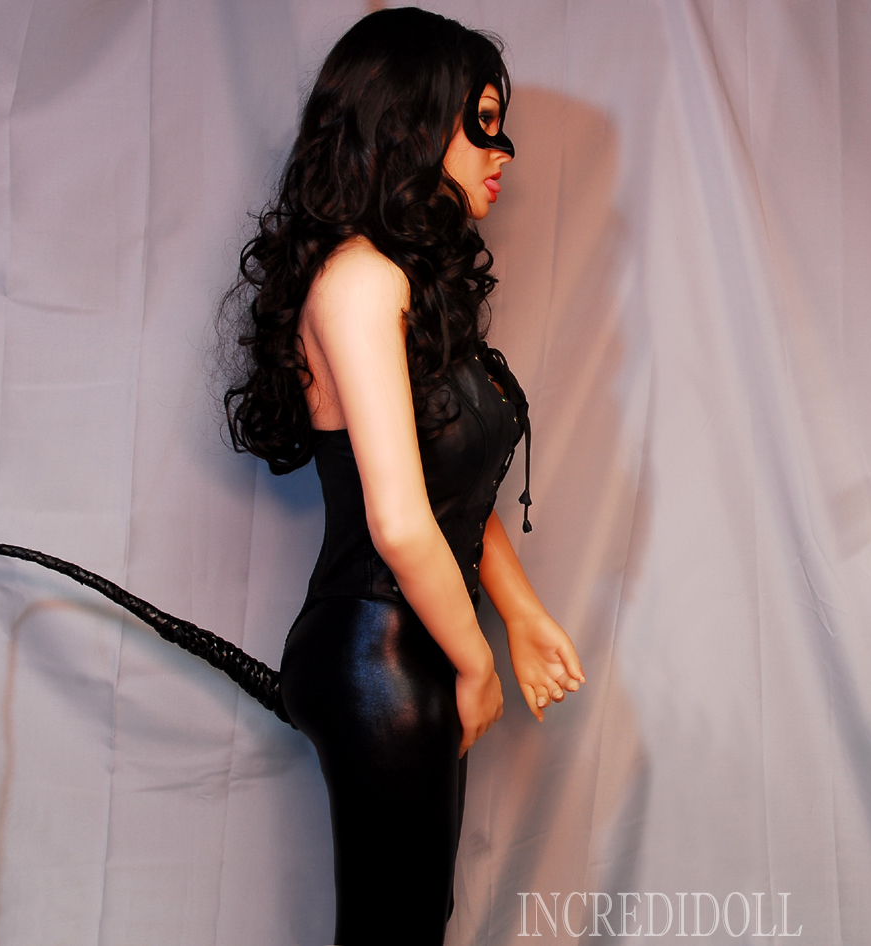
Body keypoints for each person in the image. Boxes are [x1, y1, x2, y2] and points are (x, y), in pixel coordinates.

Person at [222, 9, 585, 943]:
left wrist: (521, 615)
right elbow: (398, 522)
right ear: (414, 124)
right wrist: (476, 664)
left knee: (414, 921)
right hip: (375, 653)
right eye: (484, 123)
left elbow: (449, 495)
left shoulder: (403, 284)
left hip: (407, 646)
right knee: (396, 928)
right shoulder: (358, 282)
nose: (503, 152)